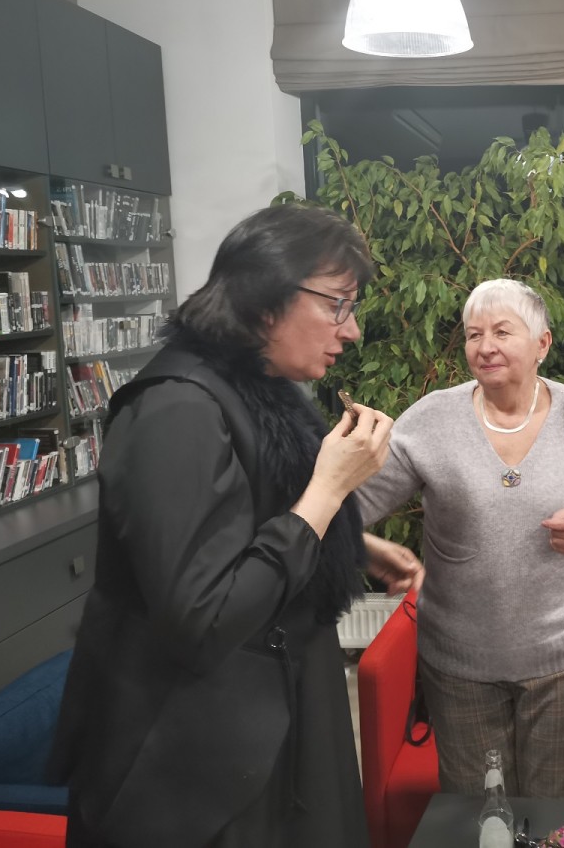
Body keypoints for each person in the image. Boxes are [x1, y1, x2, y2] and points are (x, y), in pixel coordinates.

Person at [49, 204, 425, 848]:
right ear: (265, 300)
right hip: (201, 768)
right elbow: (205, 616)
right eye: (337, 304)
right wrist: (328, 492)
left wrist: (351, 544)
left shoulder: (260, 387)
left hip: (270, 717)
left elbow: (242, 517)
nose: (352, 329)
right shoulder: (176, 410)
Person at [355, 278, 564, 801]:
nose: (485, 346)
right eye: (474, 334)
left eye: (502, 332)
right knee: (477, 816)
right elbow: (349, 506)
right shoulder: (432, 420)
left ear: (542, 343)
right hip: (460, 667)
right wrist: (358, 537)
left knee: (558, 819)